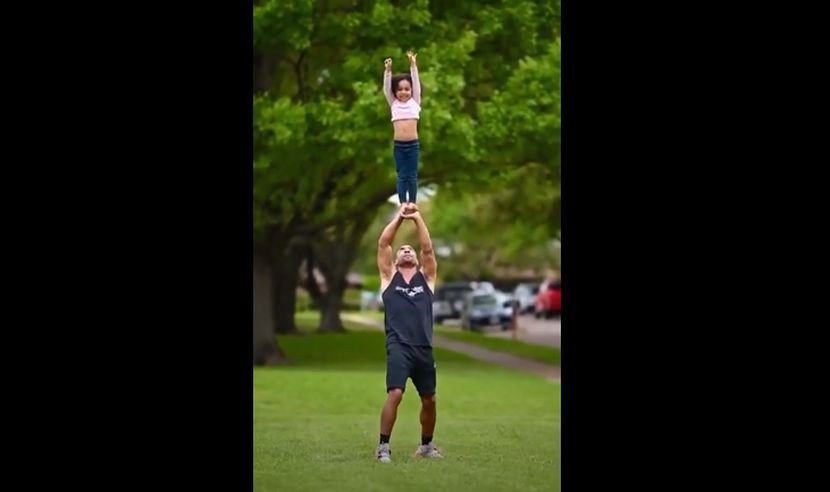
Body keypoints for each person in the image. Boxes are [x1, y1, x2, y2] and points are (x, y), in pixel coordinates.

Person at [375, 203, 443, 462]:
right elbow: (383, 244)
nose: (406, 250)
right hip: (399, 345)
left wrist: (417, 218)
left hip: (423, 347)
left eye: (409, 249)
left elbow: (427, 248)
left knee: (430, 400)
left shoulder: (427, 279)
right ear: (395, 260)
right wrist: (400, 217)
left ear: (416, 260)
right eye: (402, 249)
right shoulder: (388, 277)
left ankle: (426, 447)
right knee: (396, 393)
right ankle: (383, 447)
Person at [383, 51, 422, 206]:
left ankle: (412, 202)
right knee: (401, 176)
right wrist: (388, 71)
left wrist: (413, 64)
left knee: (412, 176)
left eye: (407, 89)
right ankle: (403, 203)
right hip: (399, 146)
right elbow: (386, 88)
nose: (403, 92)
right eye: (400, 89)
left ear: (411, 90)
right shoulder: (394, 103)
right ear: (395, 91)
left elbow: (416, 82)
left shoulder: (415, 102)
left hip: (412, 145)